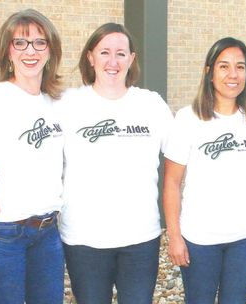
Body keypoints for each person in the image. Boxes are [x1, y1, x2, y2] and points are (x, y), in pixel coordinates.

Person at [57, 23, 173, 304]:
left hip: (140, 238)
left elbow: (180, 158)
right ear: (90, 57)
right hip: (84, 240)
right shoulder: (67, 104)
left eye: (121, 54)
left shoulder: (151, 105)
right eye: (104, 52)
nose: (112, 62)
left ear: (132, 59)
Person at [163, 37, 246, 303]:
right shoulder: (188, 118)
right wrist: (174, 237)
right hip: (200, 238)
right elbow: (172, 182)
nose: (233, 74)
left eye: (240, 67)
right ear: (209, 72)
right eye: (224, 66)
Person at [0, 8, 65, 303]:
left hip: (48, 233)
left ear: (50, 51)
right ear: (7, 51)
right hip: (4, 233)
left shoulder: (57, 102)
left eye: (39, 42)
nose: (30, 51)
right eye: (20, 43)